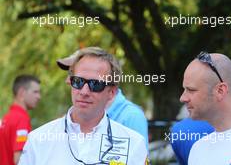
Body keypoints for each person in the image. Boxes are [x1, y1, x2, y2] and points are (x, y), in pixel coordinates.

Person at [18, 47, 148, 165]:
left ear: (111, 92)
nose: (84, 92)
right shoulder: (38, 140)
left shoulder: (134, 143)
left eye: (95, 84)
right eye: (78, 81)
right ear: (70, 82)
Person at [179, 51, 231, 165]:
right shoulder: (198, 149)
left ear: (220, 91)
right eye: (184, 90)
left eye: (191, 90)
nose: (183, 98)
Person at [56, 49, 149, 147]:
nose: (67, 80)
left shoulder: (132, 116)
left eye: (94, 83)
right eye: (77, 79)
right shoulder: (51, 131)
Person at [0, 75, 41, 165]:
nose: (39, 97)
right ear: (22, 92)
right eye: (35, 92)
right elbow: (19, 159)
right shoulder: (21, 119)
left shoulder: (7, 118)